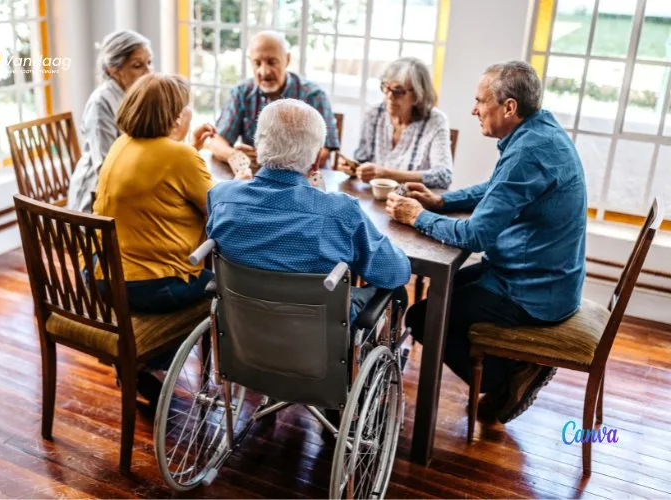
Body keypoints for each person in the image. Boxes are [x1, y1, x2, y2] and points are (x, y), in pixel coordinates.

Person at [386, 61, 587, 423]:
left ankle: (511, 374)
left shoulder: (528, 152)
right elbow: (497, 187)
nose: (474, 110)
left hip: (531, 293)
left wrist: (416, 216)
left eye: (480, 101)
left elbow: (475, 235)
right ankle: (509, 363)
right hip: (540, 277)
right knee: (443, 291)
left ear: (509, 107)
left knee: (422, 317)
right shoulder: (539, 130)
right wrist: (441, 202)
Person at [207, 98, 411, 327]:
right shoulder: (342, 212)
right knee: (396, 291)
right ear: (315, 161)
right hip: (318, 338)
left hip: (242, 332)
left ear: (258, 145)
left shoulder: (221, 198)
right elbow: (396, 272)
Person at [92, 73, 216, 409]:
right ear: (175, 116)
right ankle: (154, 363)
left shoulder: (121, 144)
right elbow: (220, 211)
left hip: (104, 278)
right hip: (150, 286)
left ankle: (144, 364)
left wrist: (189, 147)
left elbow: (160, 177)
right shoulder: (180, 157)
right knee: (221, 287)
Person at [209, 31, 340, 179]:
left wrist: (275, 163)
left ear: (287, 59)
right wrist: (235, 155)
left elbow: (325, 150)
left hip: (302, 180)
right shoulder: (241, 93)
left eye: (272, 62)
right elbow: (216, 141)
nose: (264, 71)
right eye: (257, 63)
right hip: (257, 179)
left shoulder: (313, 95)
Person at [67, 30, 153, 212]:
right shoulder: (101, 103)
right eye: (138, 65)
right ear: (113, 69)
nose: (148, 72)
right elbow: (105, 168)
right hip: (93, 202)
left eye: (149, 63)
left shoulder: (134, 94)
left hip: (125, 188)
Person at [338, 57, 453, 189]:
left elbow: (443, 176)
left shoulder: (436, 121)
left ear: (418, 94)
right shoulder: (373, 114)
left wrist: (385, 174)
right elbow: (362, 159)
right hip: (373, 197)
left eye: (398, 91)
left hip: (413, 198)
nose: (389, 97)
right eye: (386, 87)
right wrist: (354, 168)